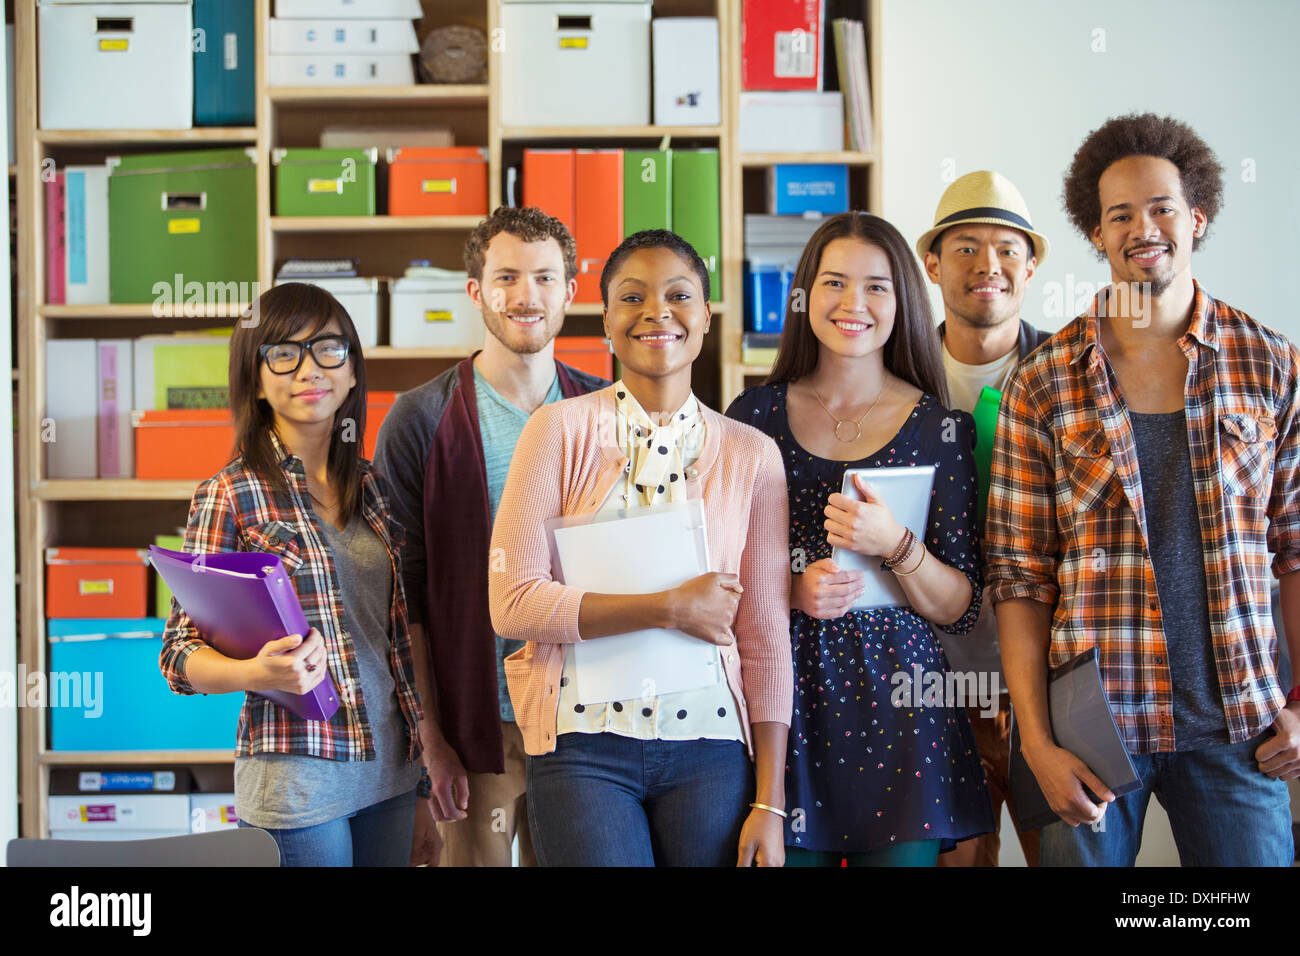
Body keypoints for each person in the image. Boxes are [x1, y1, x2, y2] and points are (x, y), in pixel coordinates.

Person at [987, 113, 1300, 867]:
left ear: (1198, 216)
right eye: (1118, 214)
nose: (1142, 228)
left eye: (1160, 207)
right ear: (1096, 234)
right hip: (1091, 733)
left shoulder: (1269, 365)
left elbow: (1295, 554)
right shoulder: (1042, 380)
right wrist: (1035, 741)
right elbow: (1019, 581)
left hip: (1241, 731)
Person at [488, 229, 792, 866]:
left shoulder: (751, 455)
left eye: (678, 295)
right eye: (632, 297)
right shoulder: (559, 430)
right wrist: (666, 608)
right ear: (605, 322)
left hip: (711, 749)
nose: (657, 311)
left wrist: (770, 800)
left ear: (704, 317)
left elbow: (764, 634)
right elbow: (511, 602)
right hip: (582, 749)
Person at [727, 211, 995, 866]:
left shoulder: (941, 428)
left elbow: (960, 607)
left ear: (902, 299)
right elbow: (714, 574)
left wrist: (899, 545)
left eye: (876, 286)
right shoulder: (751, 417)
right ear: (804, 295)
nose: (854, 304)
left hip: (902, 712)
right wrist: (791, 587)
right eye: (834, 283)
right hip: (777, 704)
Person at [159, 283, 434, 867]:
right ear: (256, 380)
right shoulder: (230, 493)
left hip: (389, 773)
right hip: (297, 780)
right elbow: (178, 657)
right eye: (284, 353)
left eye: (328, 349)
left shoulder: (376, 489)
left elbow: (397, 642)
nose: (309, 368)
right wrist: (255, 671)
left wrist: (425, 783)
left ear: (353, 370)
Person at [374, 206, 607, 867]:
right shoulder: (420, 418)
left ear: (571, 290)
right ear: (475, 291)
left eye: (544, 277)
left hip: (586, 716)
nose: (526, 296)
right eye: (506, 277)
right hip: (476, 717)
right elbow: (405, 595)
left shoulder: (609, 411)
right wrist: (431, 739)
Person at [917, 170, 1051, 867]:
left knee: (1065, 853)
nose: (987, 265)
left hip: (1055, 681)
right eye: (965, 247)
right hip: (932, 681)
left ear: (1031, 265)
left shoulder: (1073, 375)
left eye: (1005, 247)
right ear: (933, 263)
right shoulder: (895, 376)